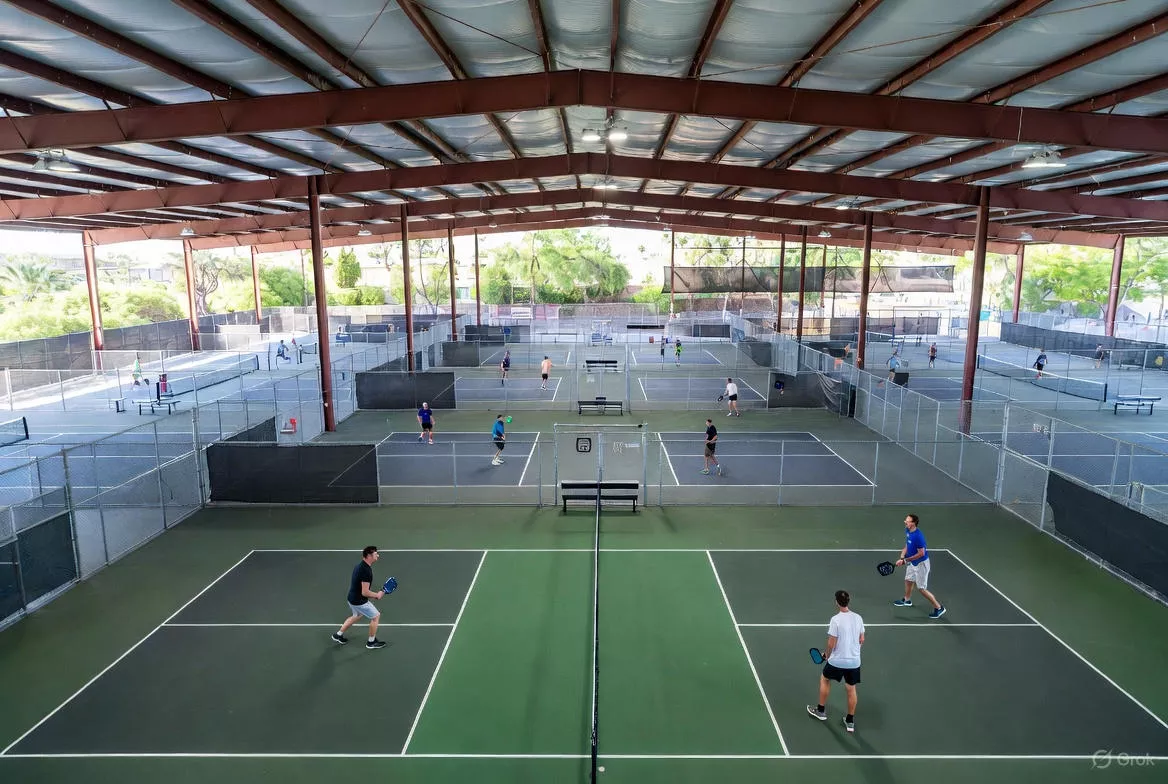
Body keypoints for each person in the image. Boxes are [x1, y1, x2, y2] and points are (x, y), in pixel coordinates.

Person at [807, 589, 865, 733]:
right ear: (848, 601)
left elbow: (831, 643)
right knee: (851, 689)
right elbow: (861, 639)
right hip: (854, 661)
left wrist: (826, 655)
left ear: (836, 602)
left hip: (837, 661)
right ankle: (850, 721)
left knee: (825, 679)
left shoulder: (836, 620)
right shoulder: (858, 618)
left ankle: (820, 711)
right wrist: (853, 651)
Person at [332, 546, 387, 649]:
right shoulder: (366, 571)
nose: (378, 555)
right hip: (359, 601)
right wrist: (377, 595)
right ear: (369, 556)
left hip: (351, 598)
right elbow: (365, 592)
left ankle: (338, 635)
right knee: (376, 616)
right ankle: (371, 642)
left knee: (356, 615)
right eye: (376, 554)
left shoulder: (359, 566)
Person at [893, 513, 945, 618]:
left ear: (913, 523)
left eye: (907, 521)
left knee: (921, 588)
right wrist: (902, 556)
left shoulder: (918, 536)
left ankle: (939, 608)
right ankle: (907, 600)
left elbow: (921, 553)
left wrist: (905, 560)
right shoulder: (908, 531)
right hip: (912, 562)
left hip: (921, 564)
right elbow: (908, 545)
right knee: (908, 580)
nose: (905, 522)